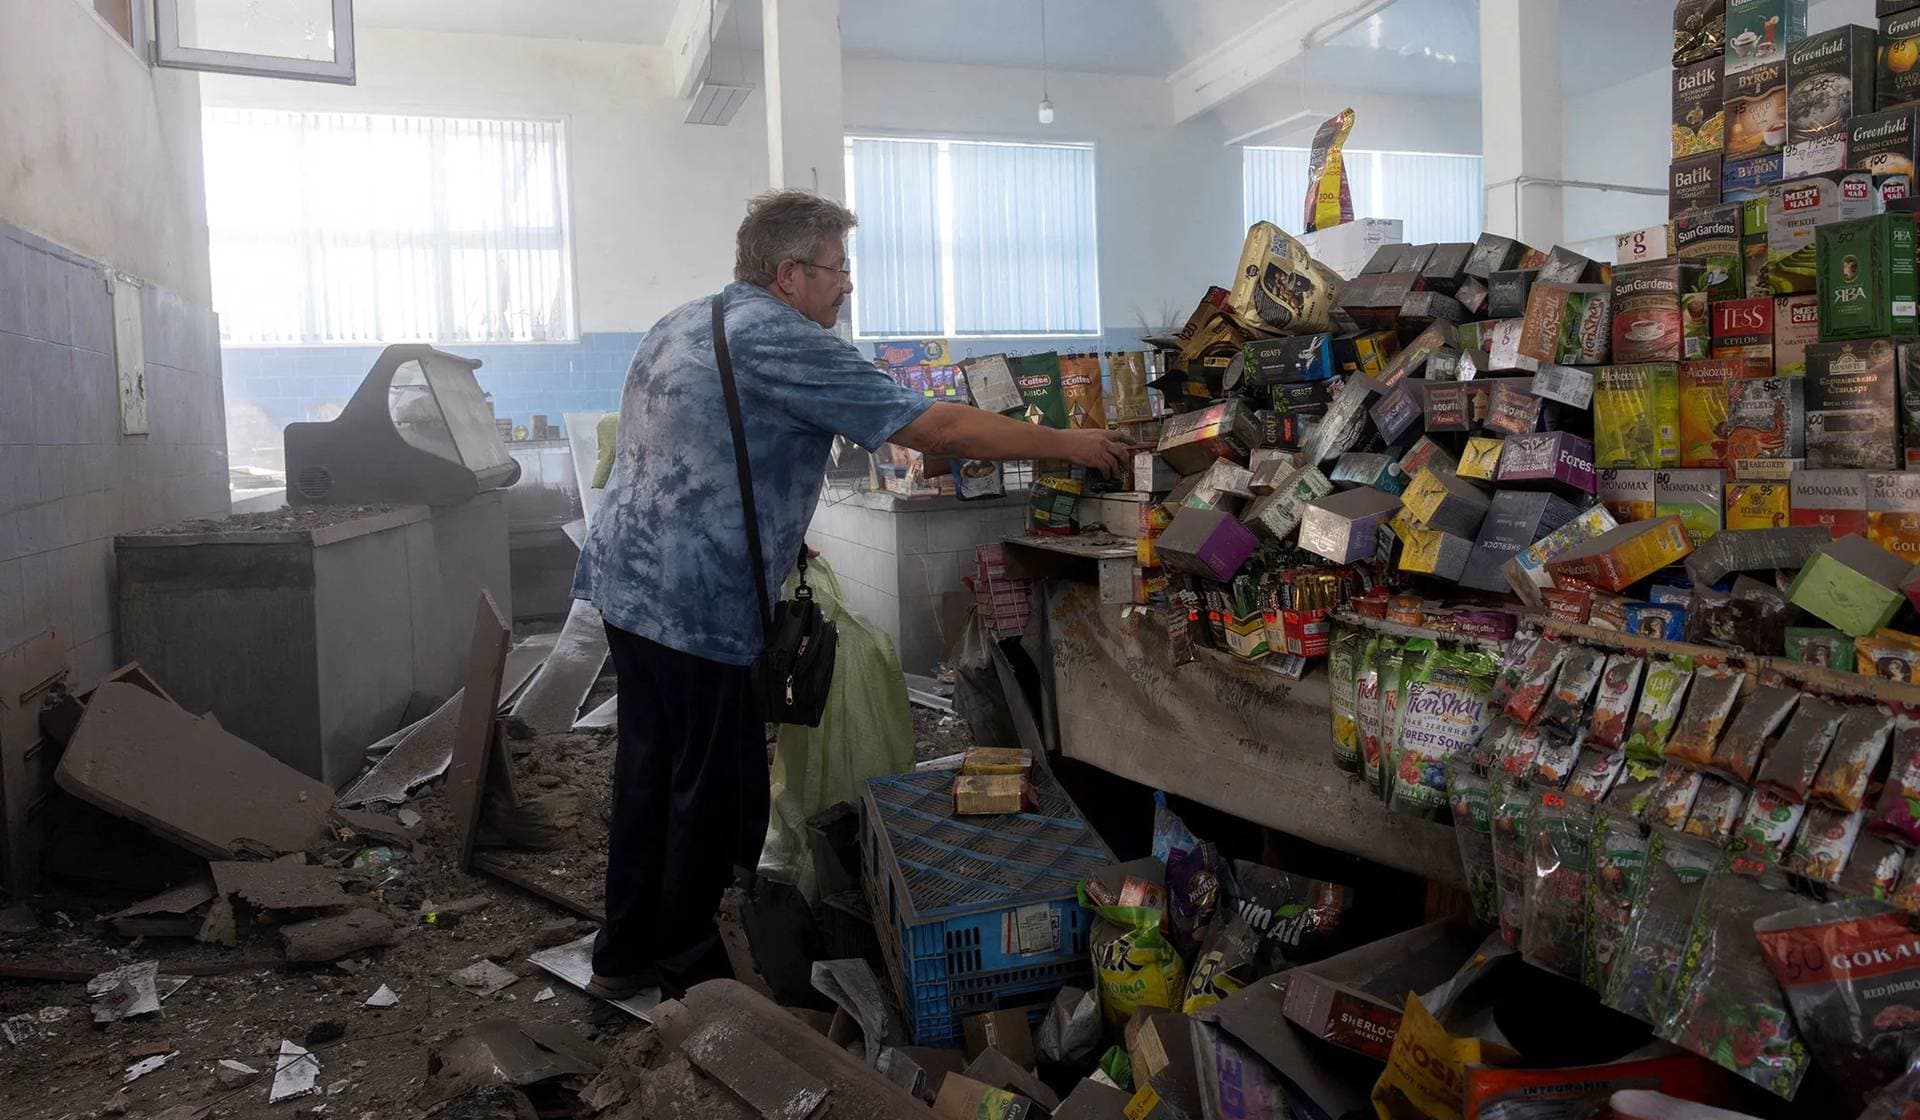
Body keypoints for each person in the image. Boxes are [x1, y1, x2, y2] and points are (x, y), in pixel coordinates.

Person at [572, 189, 1130, 998]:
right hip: (696, 604)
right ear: (790, 272)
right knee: (716, 790)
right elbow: (931, 428)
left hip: (627, 585)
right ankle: (692, 974)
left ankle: (624, 951)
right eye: (837, 270)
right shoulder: (785, 340)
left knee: (649, 769)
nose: (846, 288)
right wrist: (1066, 444)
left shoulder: (684, 320)